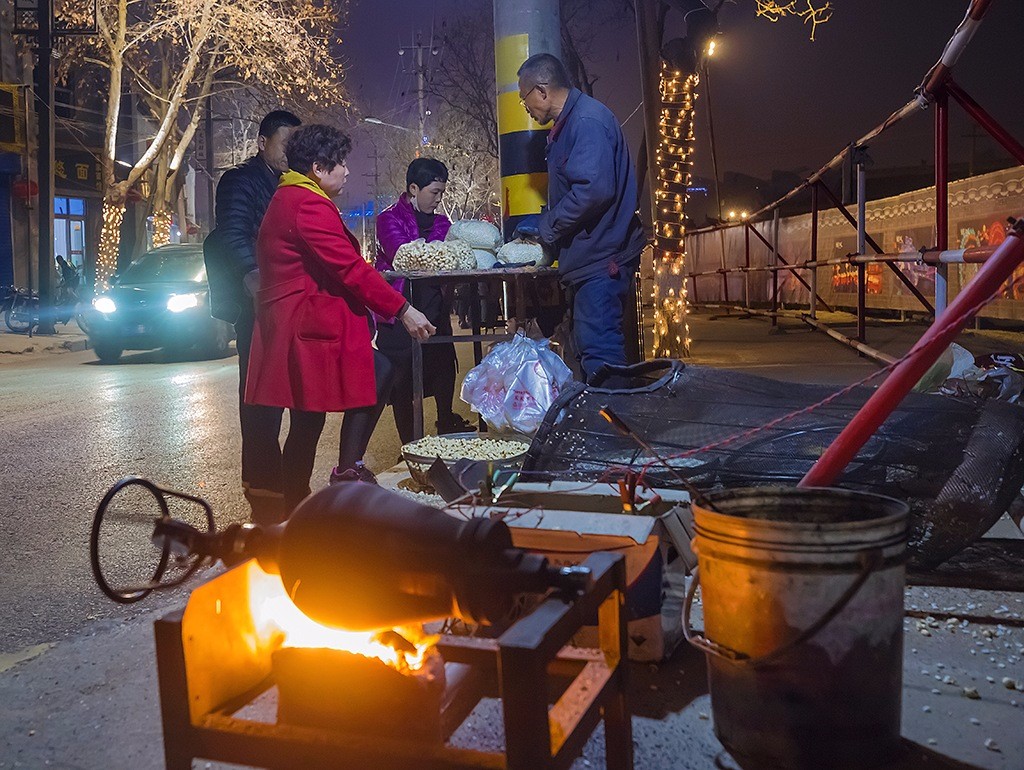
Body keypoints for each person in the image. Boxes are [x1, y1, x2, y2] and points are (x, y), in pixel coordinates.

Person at [245, 124, 434, 513]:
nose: (347, 171)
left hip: (301, 323)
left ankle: (297, 503)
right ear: (317, 167)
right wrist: (402, 309)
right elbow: (350, 268)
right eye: (340, 164)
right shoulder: (306, 204)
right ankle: (344, 472)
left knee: (307, 422)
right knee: (377, 371)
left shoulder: (295, 197)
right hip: (306, 326)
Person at [516, 54, 646, 384]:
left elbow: (594, 190)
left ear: (541, 90)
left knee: (601, 356)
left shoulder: (586, 122)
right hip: (592, 258)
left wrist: (546, 227)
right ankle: (605, 429)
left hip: (602, 259)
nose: (524, 106)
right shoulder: (571, 124)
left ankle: (612, 433)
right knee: (590, 352)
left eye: (524, 97)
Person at [203, 110, 302, 524]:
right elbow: (234, 232)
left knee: (293, 396)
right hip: (258, 305)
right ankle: (262, 489)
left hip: (291, 301)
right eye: (285, 144)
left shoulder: (291, 183)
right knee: (260, 399)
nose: (290, 153)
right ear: (262, 142)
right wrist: (254, 280)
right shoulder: (240, 181)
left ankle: (288, 486)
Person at [375, 157, 474, 443]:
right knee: (402, 379)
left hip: (434, 308)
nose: (439, 199)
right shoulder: (389, 218)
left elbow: (449, 257)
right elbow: (402, 255)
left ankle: (445, 422)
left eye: (442, 192)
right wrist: (438, 252)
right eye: (434, 192)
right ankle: (410, 443)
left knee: (443, 366)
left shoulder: (444, 222)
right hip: (399, 310)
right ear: (413, 189)